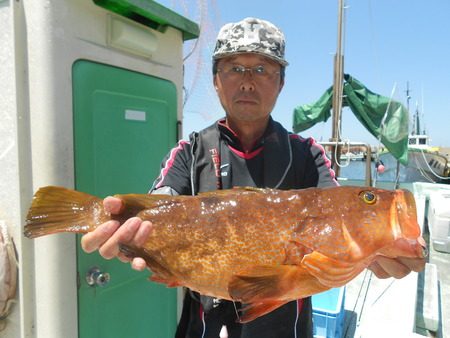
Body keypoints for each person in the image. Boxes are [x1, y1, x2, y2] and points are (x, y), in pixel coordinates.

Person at [81, 17, 426, 338]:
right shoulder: (190, 151)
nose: (247, 80)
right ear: (216, 80)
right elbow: (162, 202)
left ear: (280, 83)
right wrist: (126, 231)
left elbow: (334, 214)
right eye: (234, 68)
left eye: (262, 69)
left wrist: (379, 252)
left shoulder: (308, 154)